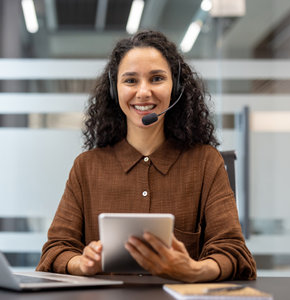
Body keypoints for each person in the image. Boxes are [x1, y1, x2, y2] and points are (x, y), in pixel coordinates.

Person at [36, 30, 257, 282]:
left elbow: (234, 251)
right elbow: (56, 250)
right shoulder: (87, 167)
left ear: (175, 88)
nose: (143, 92)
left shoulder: (206, 162)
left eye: (156, 79)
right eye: (130, 80)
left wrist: (195, 269)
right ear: (114, 89)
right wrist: (82, 264)